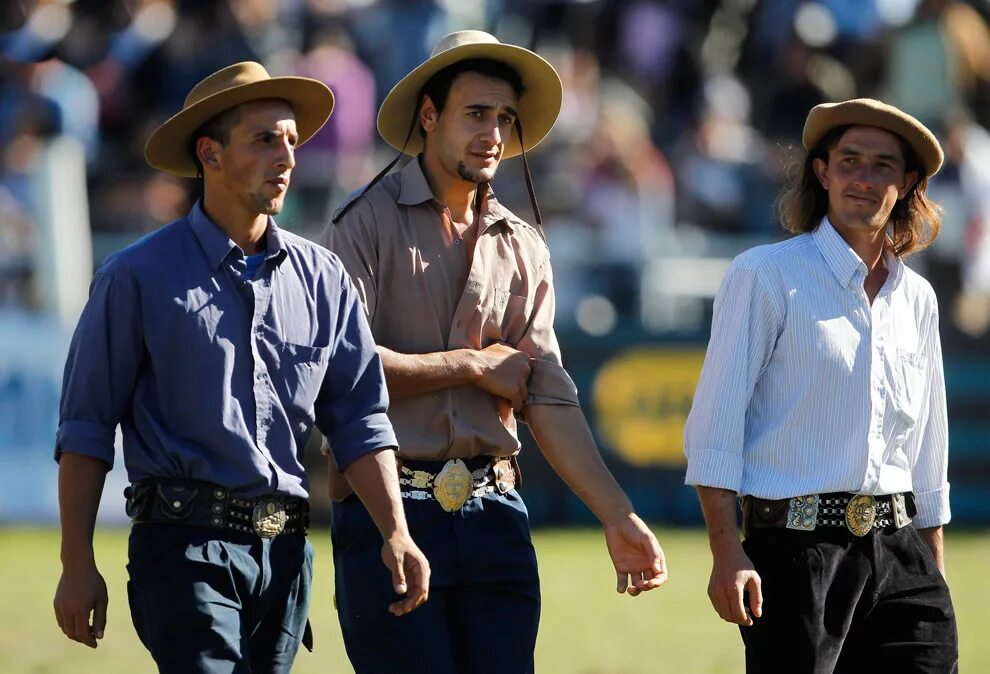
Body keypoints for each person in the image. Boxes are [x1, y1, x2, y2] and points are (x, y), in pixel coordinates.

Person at [52, 61, 430, 673]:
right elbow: (86, 429)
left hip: (285, 555)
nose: (288, 156)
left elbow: (360, 419)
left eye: (290, 140)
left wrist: (397, 532)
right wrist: (76, 564)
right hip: (181, 550)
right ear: (210, 153)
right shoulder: (135, 276)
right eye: (265, 139)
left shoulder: (324, 279)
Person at [319, 30, 667, 674]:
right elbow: (344, 378)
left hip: (497, 519)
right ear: (429, 116)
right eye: (476, 113)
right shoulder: (360, 225)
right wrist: (475, 366)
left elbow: (548, 396)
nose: (495, 132)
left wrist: (618, 516)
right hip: (387, 519)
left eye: (504, 117)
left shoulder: (527, 246)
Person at [685, 98, 958, 673]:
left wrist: (933, 567)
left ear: (907, 182)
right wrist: (725, 551)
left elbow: (930, 447)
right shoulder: (764, 275)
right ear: (822, 171)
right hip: (793, 555)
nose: (864, 177)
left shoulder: (919, 298)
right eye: (850, 160)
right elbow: (715, 425)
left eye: (883, 165)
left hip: (904, 553)